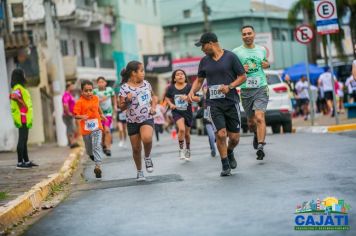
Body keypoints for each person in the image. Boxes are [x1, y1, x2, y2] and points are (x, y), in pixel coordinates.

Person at [188, 32, 246, 176]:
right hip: (213, 104)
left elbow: (243, 76)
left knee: (234, 138)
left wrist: (230, 86)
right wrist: (192, 91)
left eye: (202, 45)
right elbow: (199, 80)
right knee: (220, 134)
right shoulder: (204, 61)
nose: (202, 49)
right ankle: (225, 164)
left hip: (231, 102)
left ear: (211, 43)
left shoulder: (230, 57)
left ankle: (230, 151)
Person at [232, 25, 270, 160]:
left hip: (261, 87)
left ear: (254, 34)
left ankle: (260, 145)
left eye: (249, 33)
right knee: (251, 122)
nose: (247, 36)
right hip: (245, 90)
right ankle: (256, 134)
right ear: (241, 36)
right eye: (244, 34)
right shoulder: (236, 52)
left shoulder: (262, 50)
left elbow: (265, 64)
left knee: (259, 117)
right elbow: (232, 71)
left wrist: (268, 65)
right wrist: (241, 69)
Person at [118, 61, 156, 181]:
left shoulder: (146, 84)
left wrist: (153, 107)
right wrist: (127, 100)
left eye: (143, 70)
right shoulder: (124, 88)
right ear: (133, 73)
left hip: (146, 117)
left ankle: (148, 157)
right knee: (136, 148)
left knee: (147, 138)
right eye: (141, 71)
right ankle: (140, 171)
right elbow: (121, 107)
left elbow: (154, 97)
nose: (143, 73)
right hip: (132, 121)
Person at [165, 69, 200, 161]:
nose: (180, 76)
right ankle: (181, 150)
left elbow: (197, 98)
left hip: (187, 112)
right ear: (174, 78)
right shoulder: (171, 88)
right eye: (177, 74)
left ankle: (187, 149)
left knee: (187, 134)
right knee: (181, 129)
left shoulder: (190, 87)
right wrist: (171, 104)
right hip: (176, 111)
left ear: (185, 77)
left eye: (182, 74)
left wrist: (188, 98)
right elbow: (167, 98)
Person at [74, 80, 106, 178]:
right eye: (86, 91)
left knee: (96, 145)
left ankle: (98, 166)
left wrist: (101, 114)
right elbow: (75, 115)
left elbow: (98, 107)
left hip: (97, 127)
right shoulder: (79, 102)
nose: (89, 92)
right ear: (82, 91)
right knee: (89, 149)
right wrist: (82, 116)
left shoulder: (95, 98)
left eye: (90, 90)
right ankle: (92, 156)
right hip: (86, 130)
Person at [9, 69, 39, 169]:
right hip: (22, 117)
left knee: (24, 139)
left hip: (25, 117)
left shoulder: (20, 87)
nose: (25, 75)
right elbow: (13, 96)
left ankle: (26, 161)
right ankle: (19, 162)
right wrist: (23, 104)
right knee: (22, 139)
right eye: (23, 74)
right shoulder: (18, 88)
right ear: (20, 76)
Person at [93, 76, 117, 156]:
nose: (101, 83)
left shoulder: (110, 90)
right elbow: (93, 101)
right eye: (99, 82)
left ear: (105, 83)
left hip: (108, 113)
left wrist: (115, 106)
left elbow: (114, 97)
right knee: (102, 132)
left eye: (102, 82)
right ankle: (103, 144)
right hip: (99, 114)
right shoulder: (94, 92)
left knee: (107, 130)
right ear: (97, 83)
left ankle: (108, 148)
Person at [62, 82, 79, 148]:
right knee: (70, 128)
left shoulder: (70, 95)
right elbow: (65, 104)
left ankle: (72, 142)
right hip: (67, 115)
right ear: (68, 87)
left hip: (71, 115)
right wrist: (68, 112)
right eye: (72, 86)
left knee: (72, 128)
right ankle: (71, 142)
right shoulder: (66, 95)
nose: (73, 87)